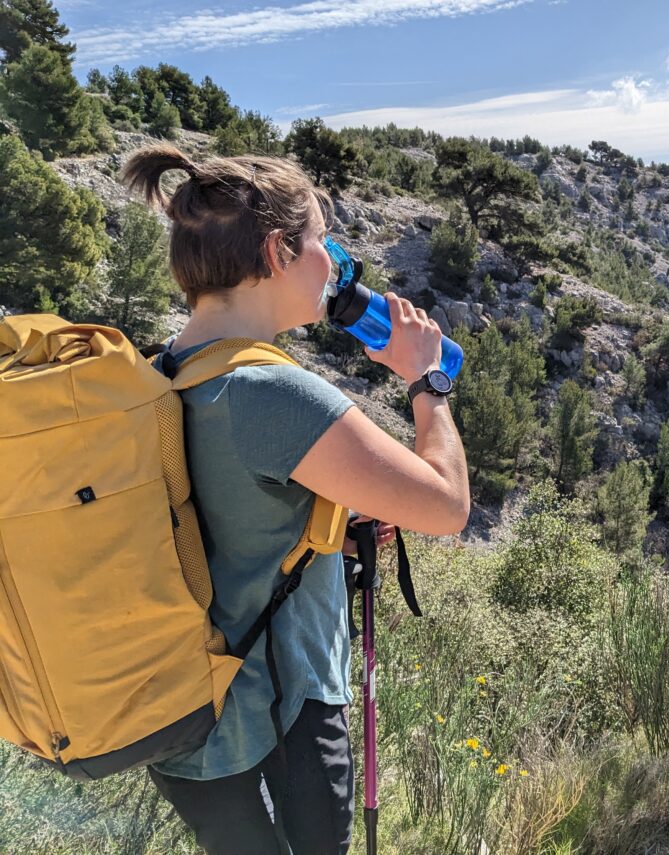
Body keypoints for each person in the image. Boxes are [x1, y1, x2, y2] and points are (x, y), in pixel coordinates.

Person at [120, 144, 470, 855]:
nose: (334, 266)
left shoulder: (159, 373)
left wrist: (329, 531)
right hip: (279, 723)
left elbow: (214, 518)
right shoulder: (271, 392)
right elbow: (447, 506)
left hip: (184, 726)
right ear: (279, 251)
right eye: (324, 244)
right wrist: (426, 381)